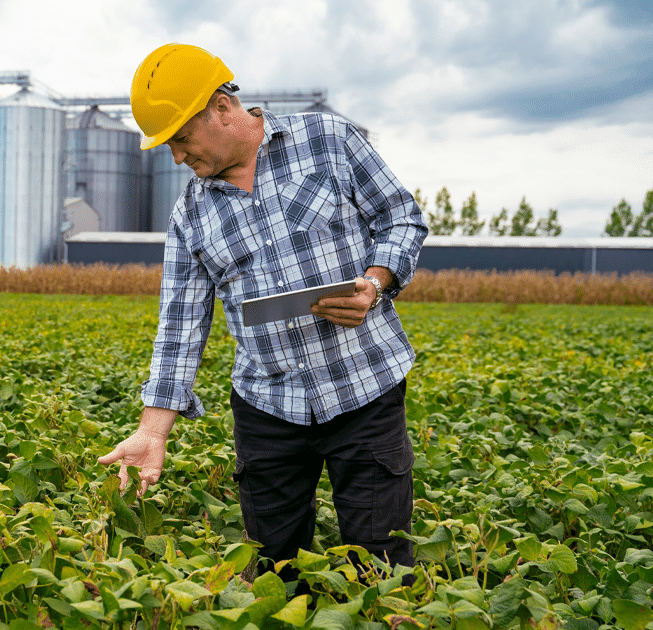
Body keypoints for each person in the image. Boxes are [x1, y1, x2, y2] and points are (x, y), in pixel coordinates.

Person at [97, 43, 428, 584]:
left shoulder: (330, 141)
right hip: (268, 407)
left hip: (366, 388)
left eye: (181, 138)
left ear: (221, 108)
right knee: (275, 570)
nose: (177, 158)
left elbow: (402, 219)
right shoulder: (190, 214)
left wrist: (374, 282)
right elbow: (180, 324)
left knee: (382, 567)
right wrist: (151, 432)